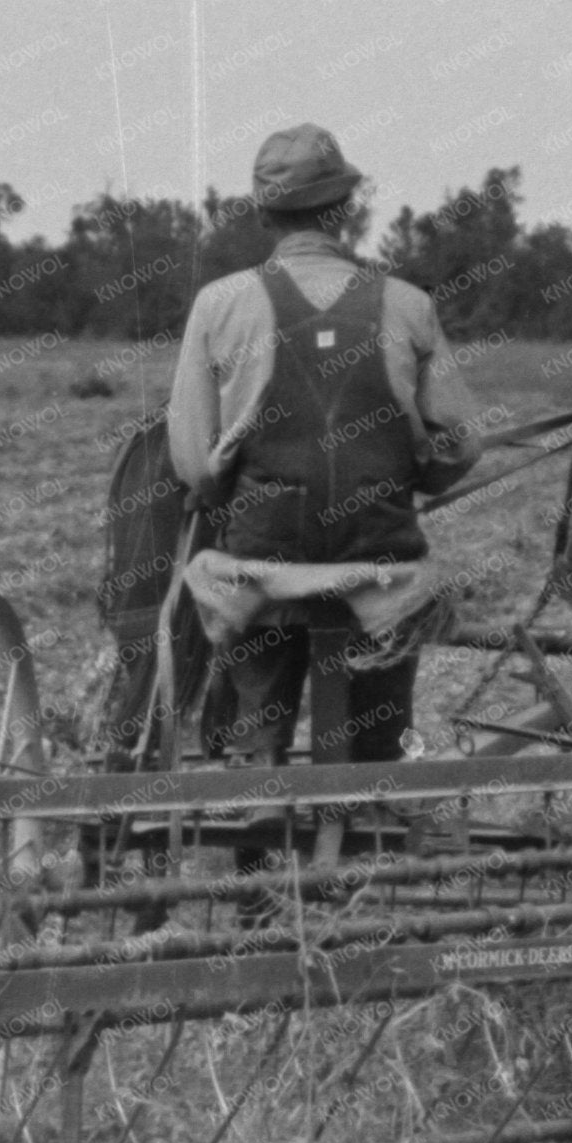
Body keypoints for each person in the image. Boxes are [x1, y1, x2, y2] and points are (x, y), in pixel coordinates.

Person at [164, 123, 483, 761]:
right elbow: (462, 444)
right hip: (381, 567)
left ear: (264, 215)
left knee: (258, 710)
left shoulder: (219, 304)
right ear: (345, 209)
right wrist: (415, 471)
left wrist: (227, 482)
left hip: (262, 566)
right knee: (381, 732)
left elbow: (196, 465)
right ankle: (373, 783)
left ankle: (262, 779)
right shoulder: (409, 304)